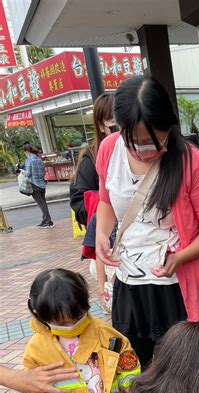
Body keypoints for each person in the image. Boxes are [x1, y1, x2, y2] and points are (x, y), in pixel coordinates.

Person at [95, 76, 199, 367]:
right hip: (129, 282)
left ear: (169, 126)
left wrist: (180, 257)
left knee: (185, 368)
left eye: (154, 141)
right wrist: (102, 235)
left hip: (176, 284)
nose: (144, 149)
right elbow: (106, 200)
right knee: (132, 367)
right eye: (135, 142)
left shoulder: (191, 163)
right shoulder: (108, 150)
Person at [70, 93, 117, 312]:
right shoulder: (90, 158)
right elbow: (79, 201)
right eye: (111, 120)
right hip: (108, 239)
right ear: (100, 124)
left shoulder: (137, 151)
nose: (117, 125)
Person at [23, 143, 54, 228]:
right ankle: (44, 220)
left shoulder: (29, 160)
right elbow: (44, 172)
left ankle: (48, 221)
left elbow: (28, 173)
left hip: (34, 184)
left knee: (41, 204)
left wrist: (24, 173)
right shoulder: (39, 159)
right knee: (43, 203)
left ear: (26, 151)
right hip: (42, 184)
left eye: (24, 153)